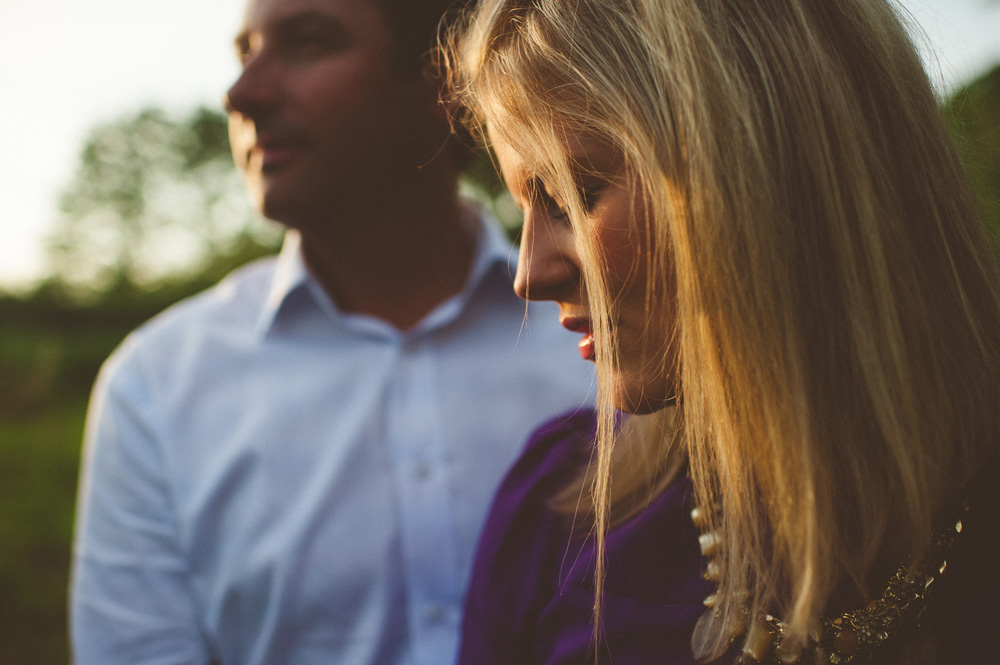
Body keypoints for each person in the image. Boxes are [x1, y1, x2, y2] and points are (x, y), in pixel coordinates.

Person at [444, 0, 1000, 662]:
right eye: (524, 206)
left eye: (575, 196)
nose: (529, 274)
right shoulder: (553, 523)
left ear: (769, 160)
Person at [69, 0, 595, 663]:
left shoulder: (612, 348)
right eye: (245, 51)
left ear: (447, 78)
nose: (243, 92)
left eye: (309, 42)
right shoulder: (154, 386)